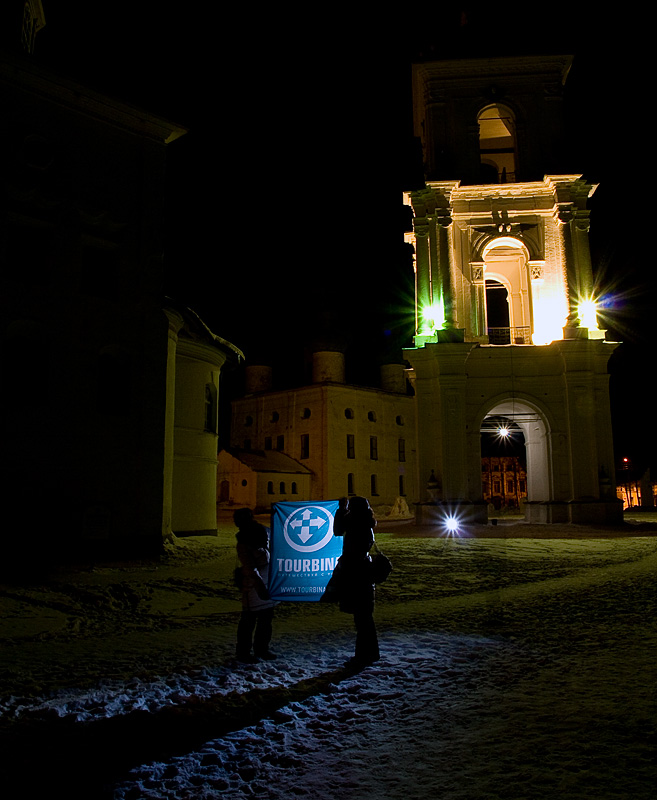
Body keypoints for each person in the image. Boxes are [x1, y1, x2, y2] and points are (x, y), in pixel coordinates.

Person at [332, 496, 380, 669]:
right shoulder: (366, 523)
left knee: (362, 618)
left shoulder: (355, 523)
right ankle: (371, 653)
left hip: (355, 572)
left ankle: (363, 656)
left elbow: (337, 530)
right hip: (364, 572)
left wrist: (341, 509)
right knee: (365, 617)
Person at [234, 508, 276, 663]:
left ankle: (262, 649)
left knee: (265, 620)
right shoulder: (244, 542)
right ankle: (244, 652)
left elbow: (275, 536)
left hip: (266, 582)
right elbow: (250, 567)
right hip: (254, 587)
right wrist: (260, 587)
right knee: (249, 620)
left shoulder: (261, 532)